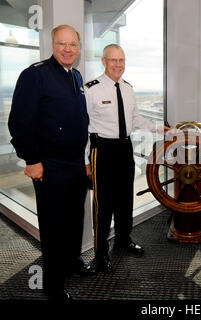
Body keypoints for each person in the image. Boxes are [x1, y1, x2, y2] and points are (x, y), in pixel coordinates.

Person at [8, 24, 94, 300]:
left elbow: (80, 123)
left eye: (73, 44)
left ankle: (71, 260)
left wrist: (83, 160)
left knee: (73, 218)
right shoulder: (35, 75)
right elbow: (19, 123)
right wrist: (32, 160)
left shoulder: (77, 76)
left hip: (74, 164)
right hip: (50, 165)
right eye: (62, 44)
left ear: (79, 48)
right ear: (53, 45)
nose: (68, 49)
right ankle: (54, 285)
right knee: (54, 225)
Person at [85, 44, 171, 274]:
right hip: (101, 150)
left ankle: (123, 240)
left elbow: (135, 118)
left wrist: (157, 129)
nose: (118, 64)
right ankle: (100, 254)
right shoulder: (91, 89)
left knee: (125, 199)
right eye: (113, 60)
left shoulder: (128, 88)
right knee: (103, 205)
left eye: (121, 60)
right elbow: (83, 127)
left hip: (125, 148)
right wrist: (85, 160)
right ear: (104, 61)